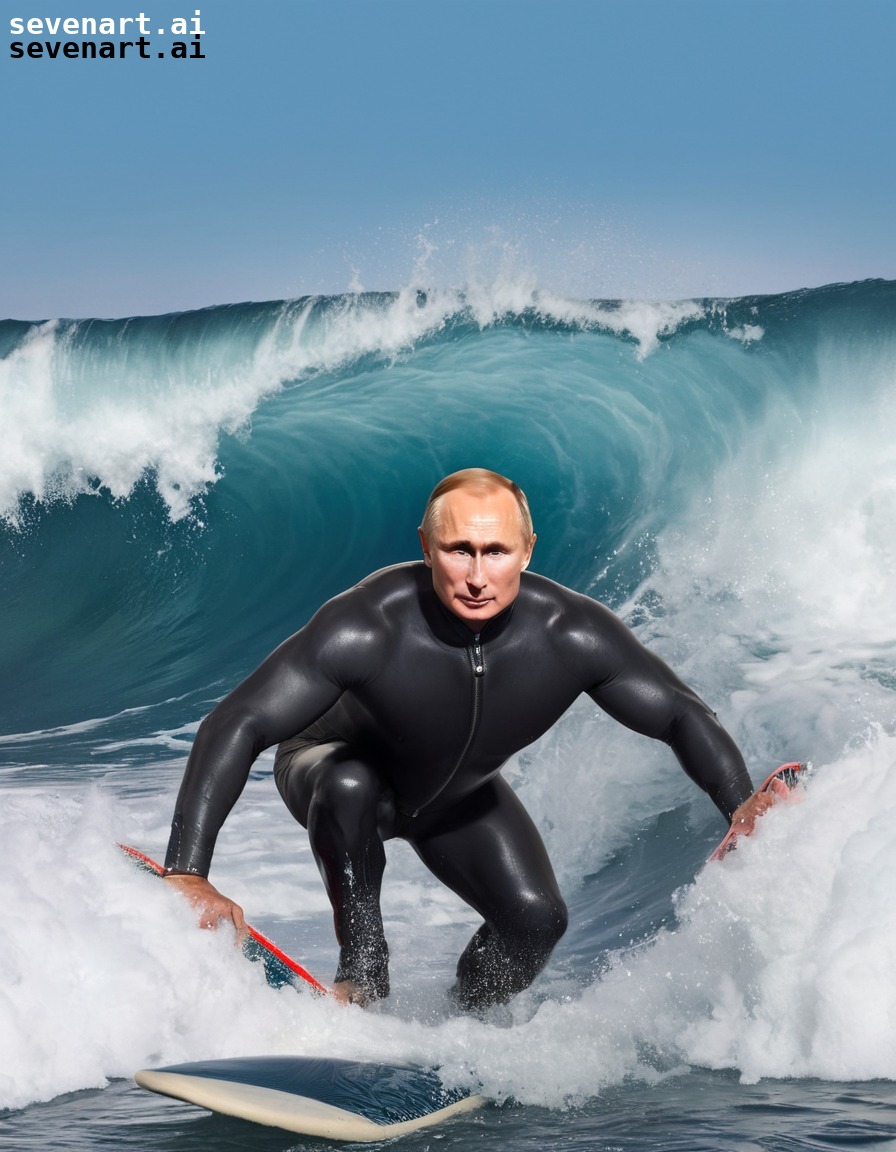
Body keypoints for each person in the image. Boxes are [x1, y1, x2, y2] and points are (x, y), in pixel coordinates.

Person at [163, 468, 772, 1008]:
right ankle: (363, 979)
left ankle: (466, 1019)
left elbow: (678, 714)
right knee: (350, 780)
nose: (479, 575)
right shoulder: (371, 622)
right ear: (426, 548)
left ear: (528, 551)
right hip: (331, 771)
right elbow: (236, 721)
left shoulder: (569, 633)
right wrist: (189, 872)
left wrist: (741, 806)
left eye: (496, 551)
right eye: (459, 550)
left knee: (536, 919)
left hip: (454, 796)